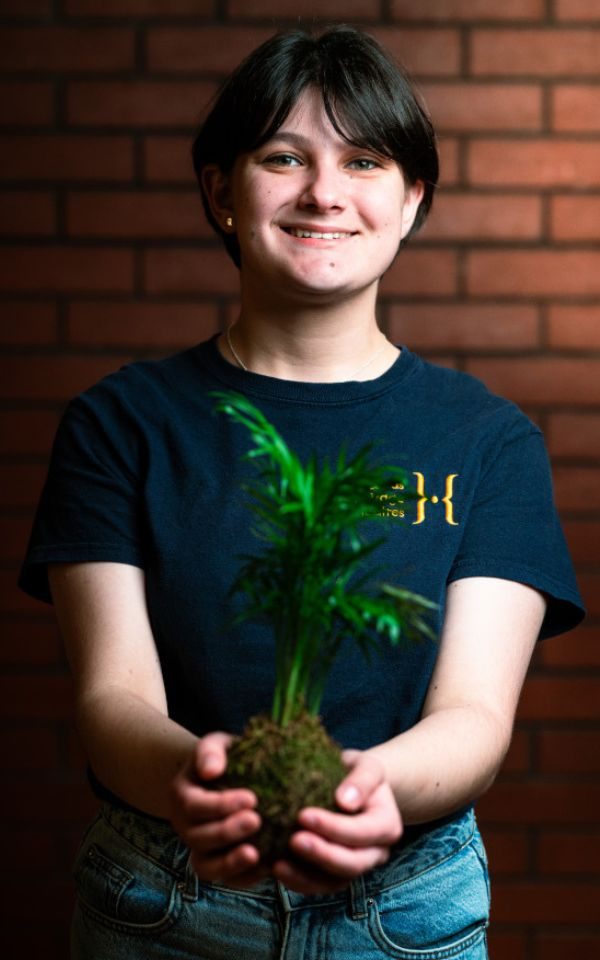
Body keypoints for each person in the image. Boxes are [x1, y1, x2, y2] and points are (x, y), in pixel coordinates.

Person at [19, 25, 584, 960]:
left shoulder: (488, 441)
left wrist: (363, 793)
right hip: (163, 902)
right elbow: (112, 695)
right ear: (220, 192)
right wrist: (199, 780)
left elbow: (475, 717)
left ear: (412, 202)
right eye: (284, 156)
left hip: (406, 911)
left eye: (364, 161)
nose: (324, 191)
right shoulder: (119, 423)